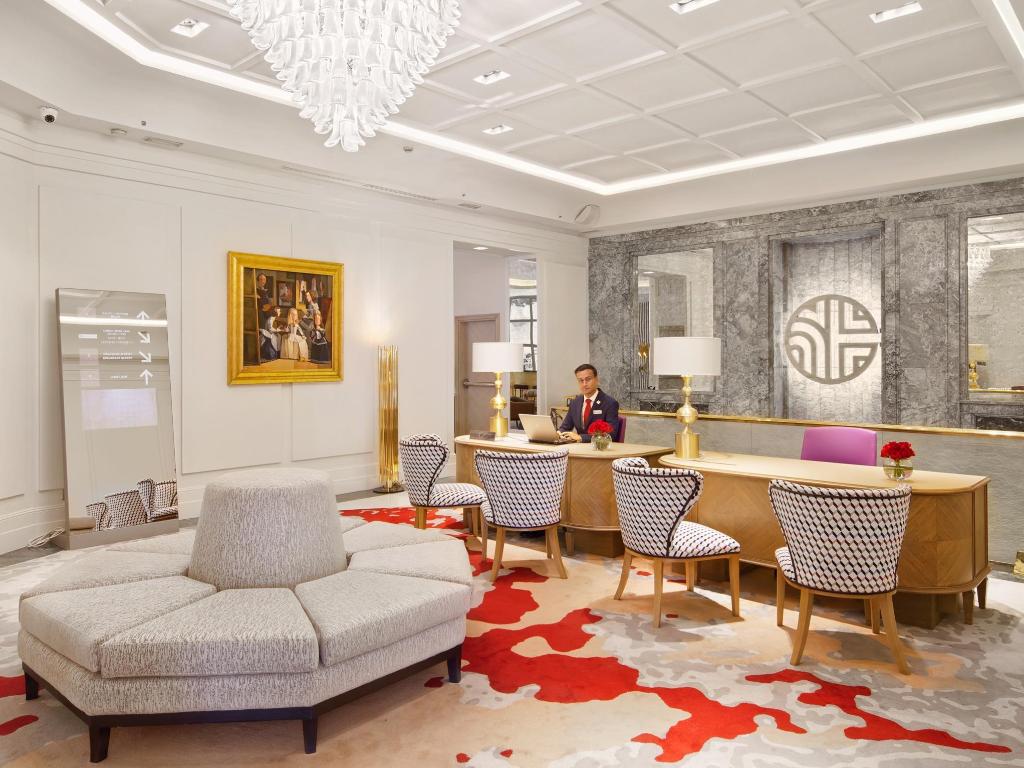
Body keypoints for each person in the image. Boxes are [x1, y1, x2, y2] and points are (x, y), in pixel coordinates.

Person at [558, 363, 620, 443]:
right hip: (579, 447)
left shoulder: (610, 403)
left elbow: (611, 434)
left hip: (600, 448)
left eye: (588, 379)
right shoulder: (575, 403)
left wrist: (581, 437)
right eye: (581, 381)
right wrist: (558, 433)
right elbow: (565, 427)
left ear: (596, 379)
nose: (584, 384)